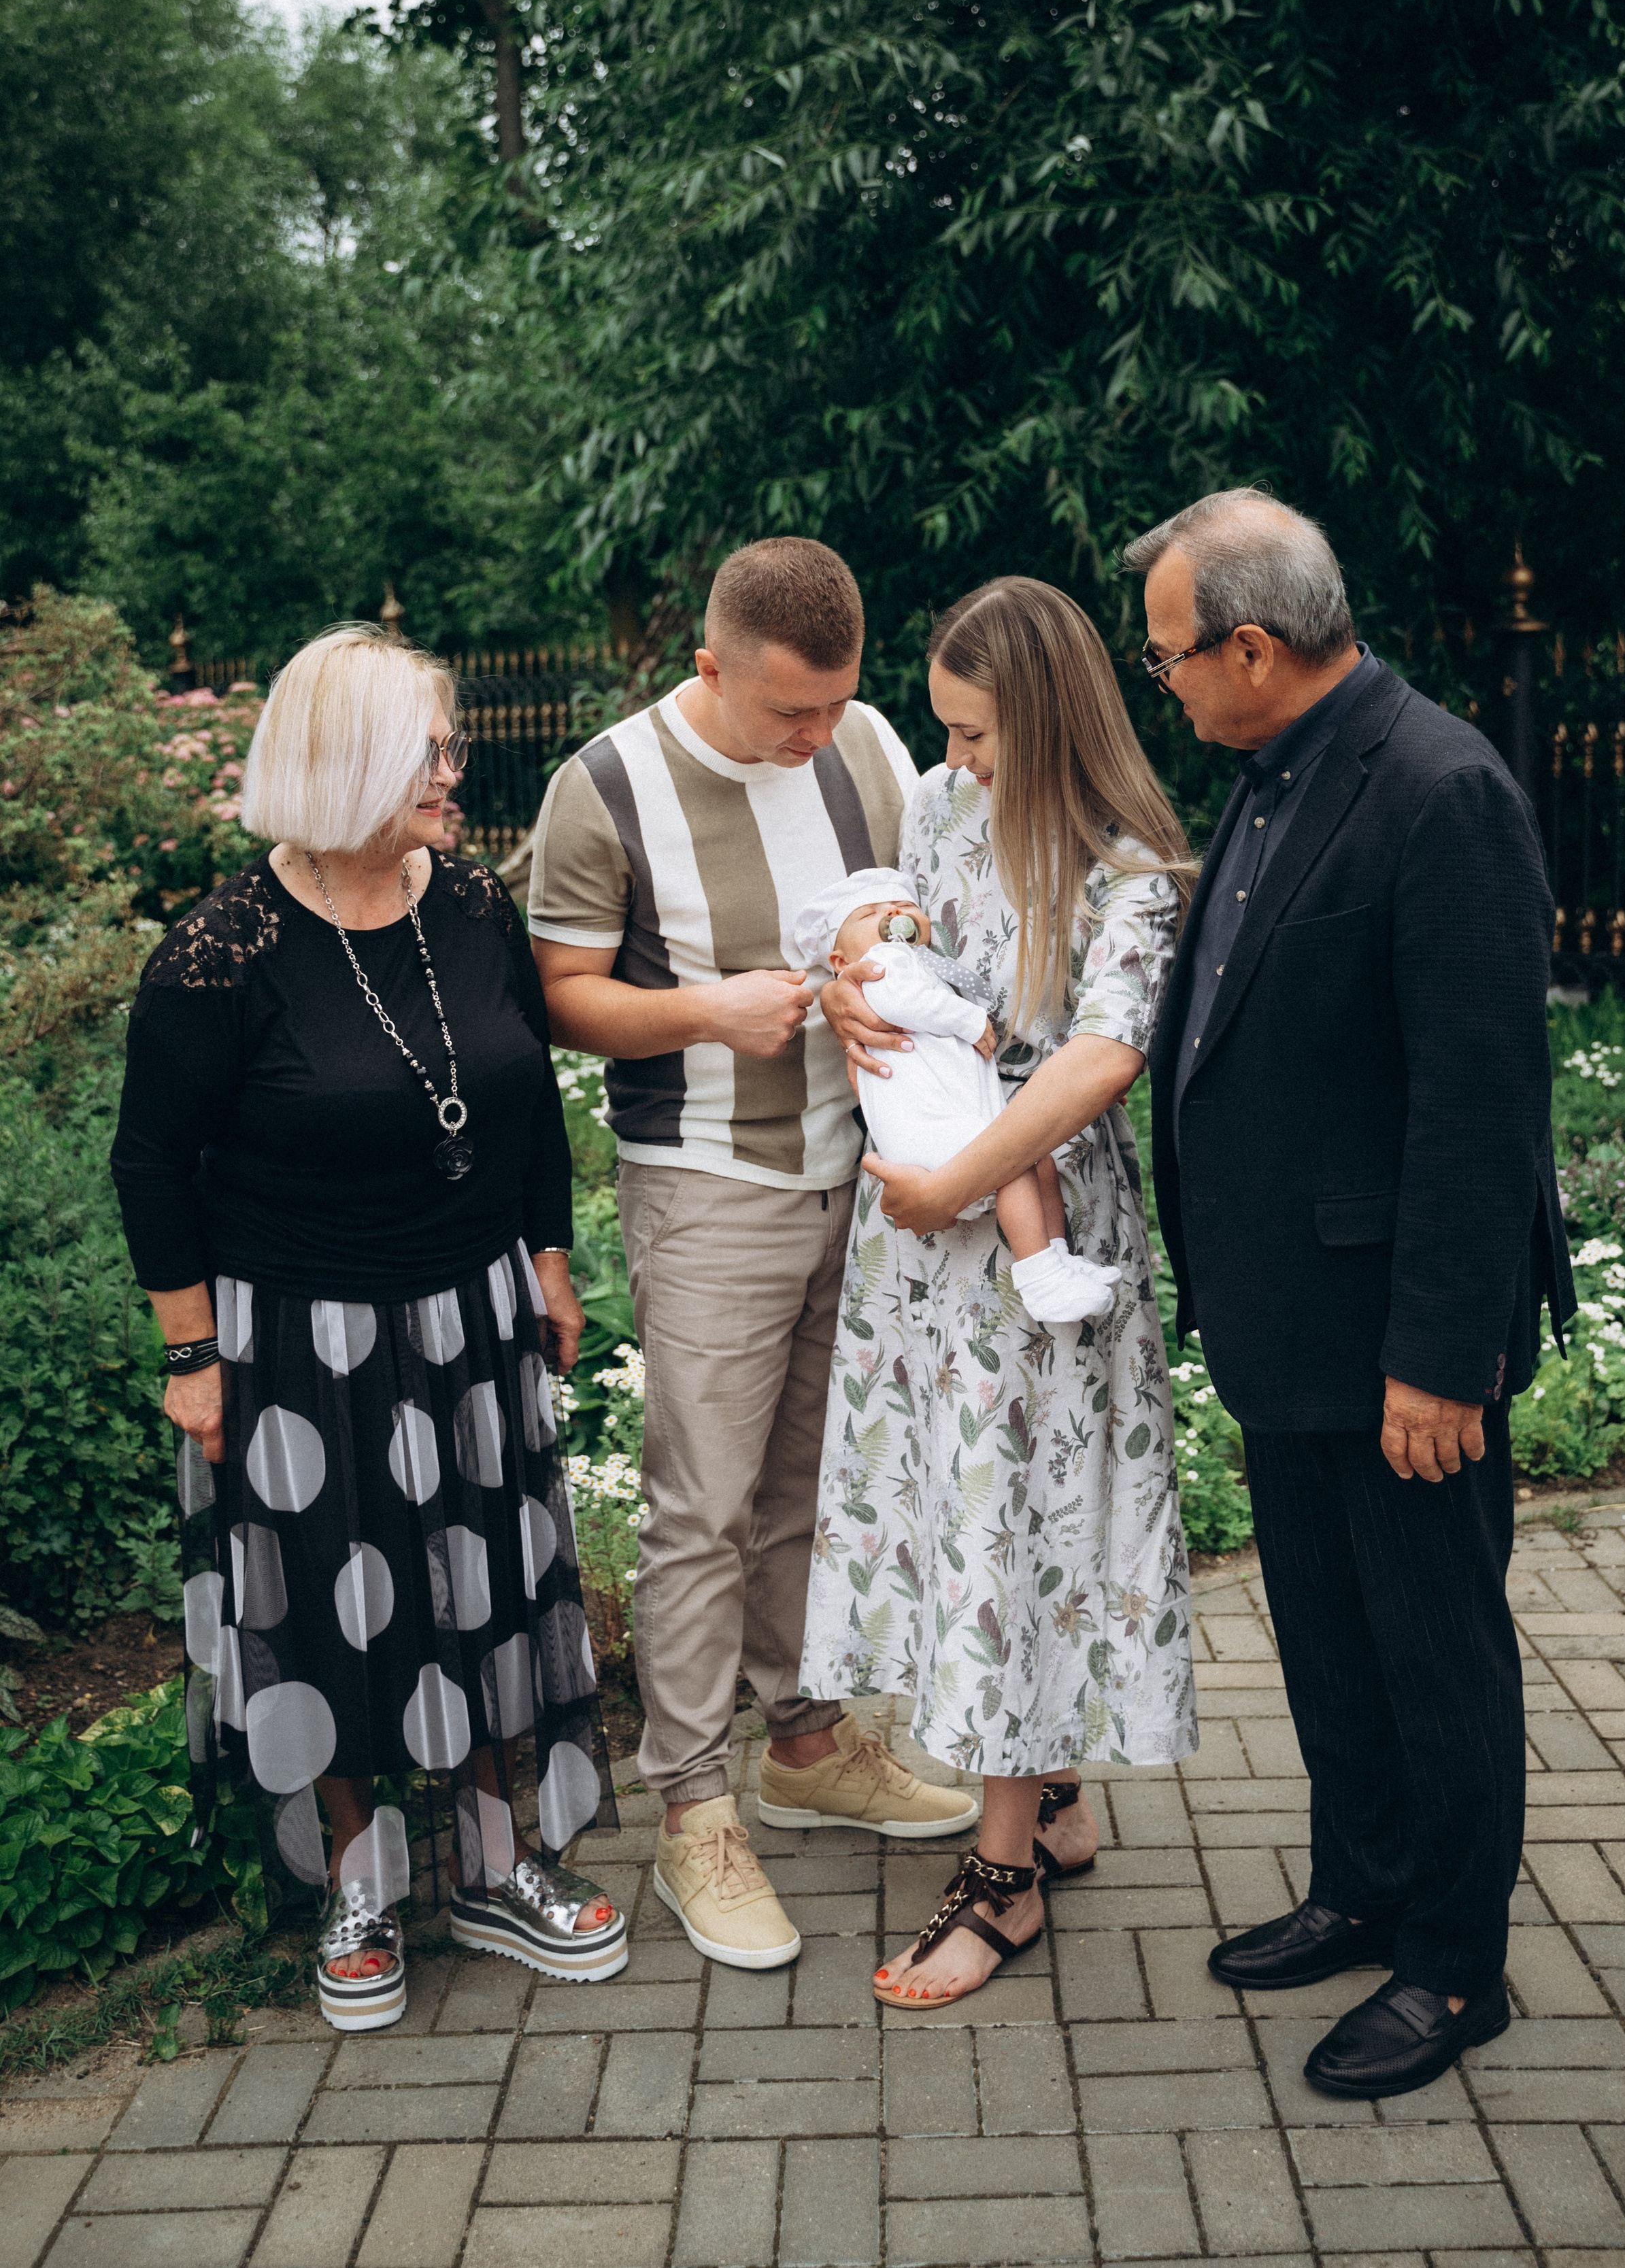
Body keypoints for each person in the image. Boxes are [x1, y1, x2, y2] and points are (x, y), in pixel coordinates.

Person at [111, 625, 624, 2036]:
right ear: (347, 765)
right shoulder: (224, 951)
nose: (454, 773)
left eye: (449, 748)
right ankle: (359, 1881)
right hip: (299, 1344)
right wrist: (190, 1353)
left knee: (484, 1590)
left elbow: (522, 1100)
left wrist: (551, 1262)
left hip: (469, 1316)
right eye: (431, 752)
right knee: (338, 1611)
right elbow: (151, 1164)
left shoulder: (464, 899)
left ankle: (495, 1862)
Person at [1133, 489, 1575, 2098]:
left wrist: (1441, 1357)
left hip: (1398, 1333)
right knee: (1325, 1630)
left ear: (1251, 645)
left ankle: (1453, 1964)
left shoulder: (1437, 786)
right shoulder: (1269, 775)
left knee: (1430, 1643)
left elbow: (1479, 1100)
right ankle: (1359, 1879)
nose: (1161, 677)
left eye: (1172, 651)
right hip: (1286, 1319)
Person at [530, 539, 982, 1977]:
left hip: (864, 1169)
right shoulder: (601, 785)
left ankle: (801, 1746)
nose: (814, 739)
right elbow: (557, 996)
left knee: (809, 1480)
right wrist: (704, 1013)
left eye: (831, 710)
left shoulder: (862, 737)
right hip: (708, 1185)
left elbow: (904, 912)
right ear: (708, 664)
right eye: (787, 713)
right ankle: (690, 1807)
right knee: (700, 1508)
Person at [806, 576, 1199, 2009]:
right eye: (947, 733)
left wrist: (961, 1171)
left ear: (1041, 718)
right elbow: (896, 945)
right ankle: (1051, 1794)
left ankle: (1002, 1878)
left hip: (1034, 1225)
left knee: (1014, 1526)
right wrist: (851, 994)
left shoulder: (1131, 863)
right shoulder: (939, 804)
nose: (955, 761)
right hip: (923, 1237)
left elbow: (1103, 1055)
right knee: (964, 1510)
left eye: (976, 735)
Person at [792, 869, 1119, 1323]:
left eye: (905, 907)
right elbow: (903, 1003)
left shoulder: (922, 967)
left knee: (1037, 1158)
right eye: (870, 913)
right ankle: (1041, 1277)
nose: (892, 914)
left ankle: (1057, 1257)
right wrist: (969, 1020)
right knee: (1016, 1164)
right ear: (838, 958)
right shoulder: (880, 967)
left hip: (949, 1115)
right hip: (924, 1126)